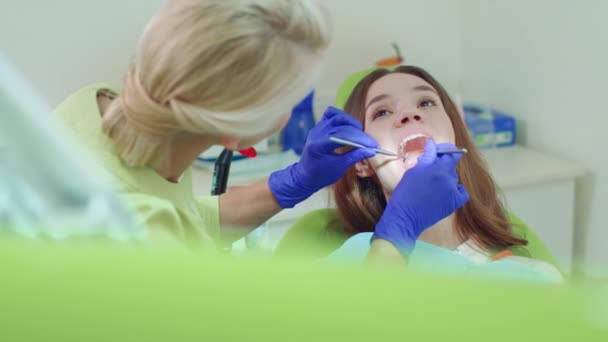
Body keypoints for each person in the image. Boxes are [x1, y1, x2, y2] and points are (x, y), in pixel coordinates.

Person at [54, 0, 378, 251]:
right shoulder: (140, 236)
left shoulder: (92, 104)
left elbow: (187, 219)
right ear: (237, 133)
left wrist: (295, 181)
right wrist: (395, 236)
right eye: (291, 102)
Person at [331, 65, 562, 281]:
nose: (409, 114)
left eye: (426, 102)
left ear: (455, 131)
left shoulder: (531, 276)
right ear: (361, 162)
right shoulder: (351, 263)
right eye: (382, 112)